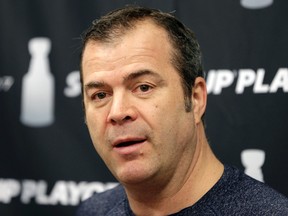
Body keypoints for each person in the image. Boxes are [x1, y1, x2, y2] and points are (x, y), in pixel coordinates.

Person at [77, 5, 288, 216]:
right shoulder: (94, 211)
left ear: (195, 99)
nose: (118, 112)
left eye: (143, 87)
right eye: (100, 95)